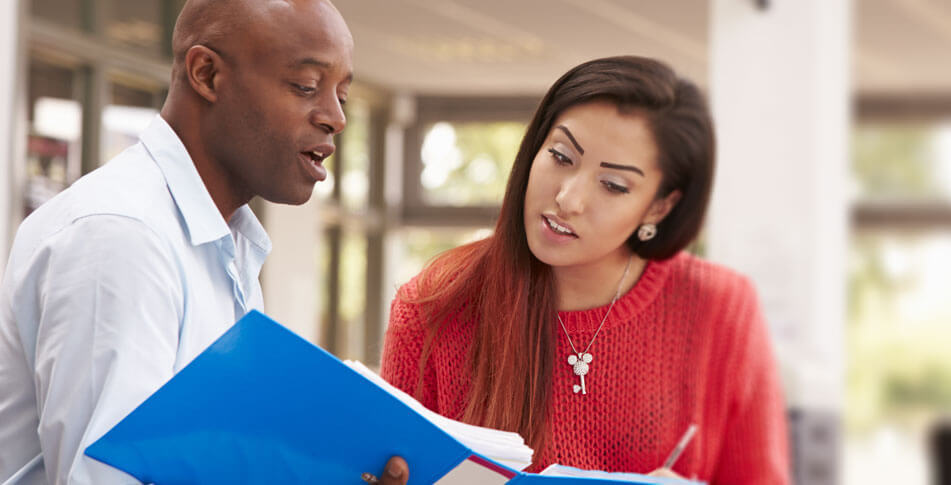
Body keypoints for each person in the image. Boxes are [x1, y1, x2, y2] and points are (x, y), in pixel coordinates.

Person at [0, 1, 413, 483]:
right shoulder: (122, 236)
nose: (335, 118)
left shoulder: (226, 246)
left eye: (342, 95)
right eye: (306, 86)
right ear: (207, 74)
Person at [380, 56, 791, 483]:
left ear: (659, 205)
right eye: (560, 156)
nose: (568, 199)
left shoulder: (720, 307)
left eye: (613, 185)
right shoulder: (434, 303)